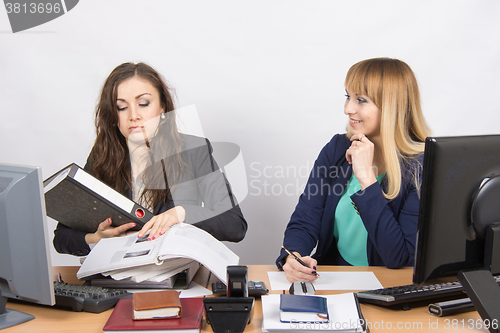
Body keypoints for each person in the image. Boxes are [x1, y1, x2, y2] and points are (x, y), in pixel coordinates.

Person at [53, 62, 247, 256]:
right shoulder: (101, 156)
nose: (134, 115)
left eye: (143, 104)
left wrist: (182, 213)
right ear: (113, 115)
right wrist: (95, 238)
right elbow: (61, 238)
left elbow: (235, 224)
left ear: (162, 107)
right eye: (121, 107)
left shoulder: (193, 150)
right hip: (118, 276)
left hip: (174, 275)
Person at [276, 57, 430, 282]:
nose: (348, 109)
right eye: (348, 96)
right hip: (333, 279)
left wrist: (367, 178)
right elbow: (306, 218)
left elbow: (399, 257)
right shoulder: (337, 149)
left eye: (361, 100)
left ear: (392, 106)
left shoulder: (420, 166)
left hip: (388, 285)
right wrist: (293, 257)